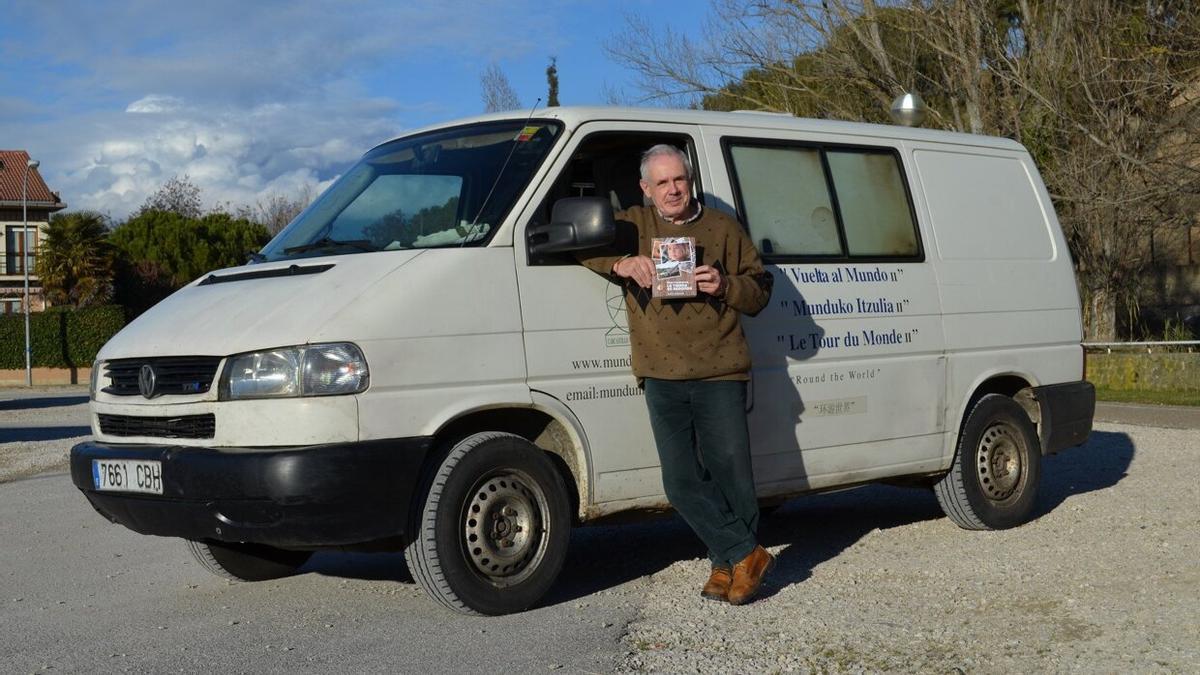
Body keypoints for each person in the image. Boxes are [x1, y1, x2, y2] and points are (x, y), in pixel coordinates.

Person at [577, 144, 775, 605]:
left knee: (731, 475)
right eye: (661, 183)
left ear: (691, 181)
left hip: (720, 368)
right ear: (646, 190)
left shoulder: (723, 227)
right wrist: (621, 263)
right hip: (660, 372)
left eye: (679, 180)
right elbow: (580, 246)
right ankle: (747, 553)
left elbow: (761, 290)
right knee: (681, 479)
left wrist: (724, 285)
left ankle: (727, 568)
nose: (672, 190)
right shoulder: (631, 224)